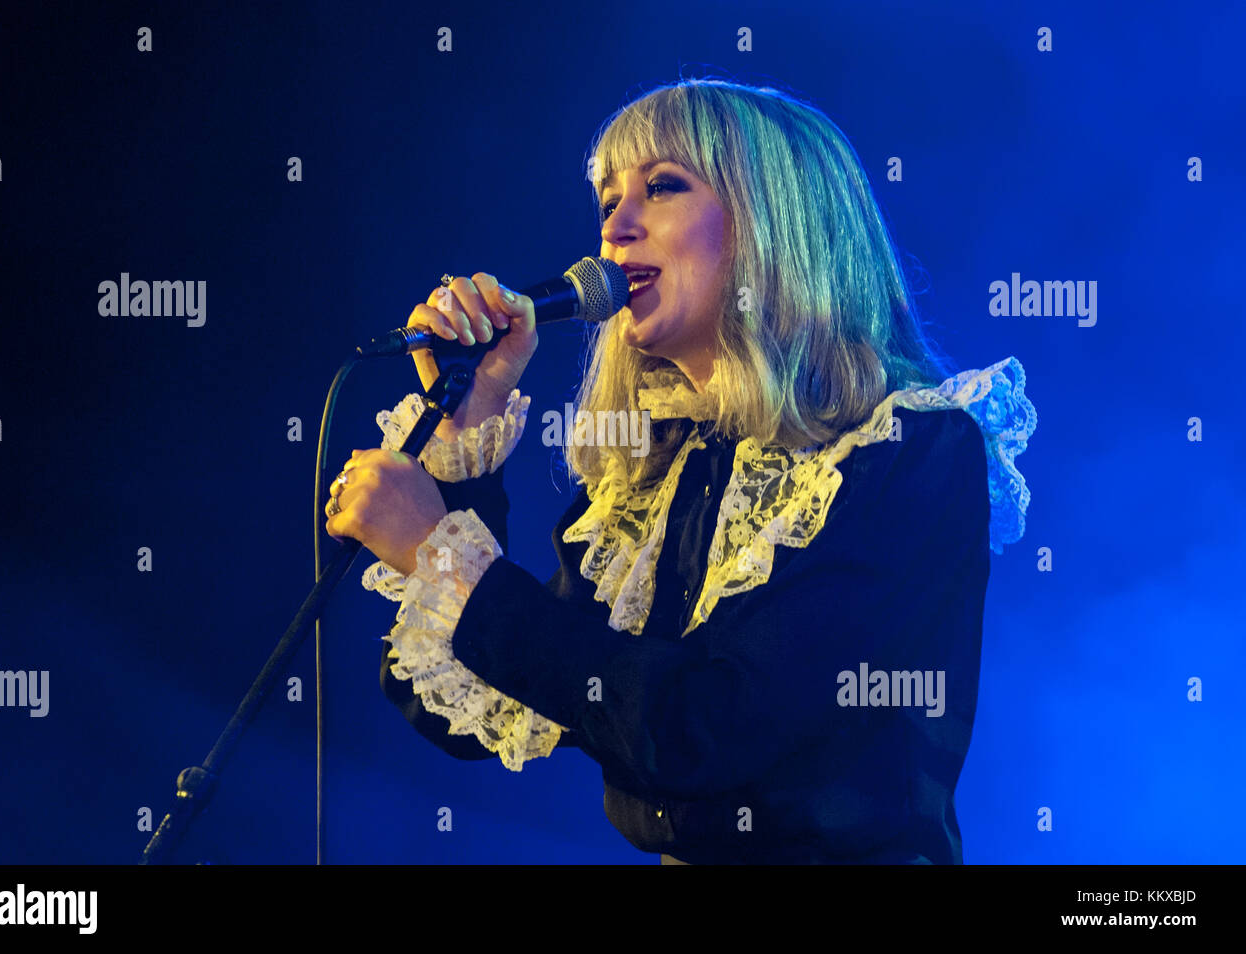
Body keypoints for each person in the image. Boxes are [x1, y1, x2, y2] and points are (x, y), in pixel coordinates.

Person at [324, 79, 1037, 865]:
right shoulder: (667, 473)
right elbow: (471, 708)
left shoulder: (908, 451)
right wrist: (467, 436)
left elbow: (711, 729)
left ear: (773, 222)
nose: (616, 230)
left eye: (661, 188)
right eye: (606, 202)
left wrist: (441, 551)